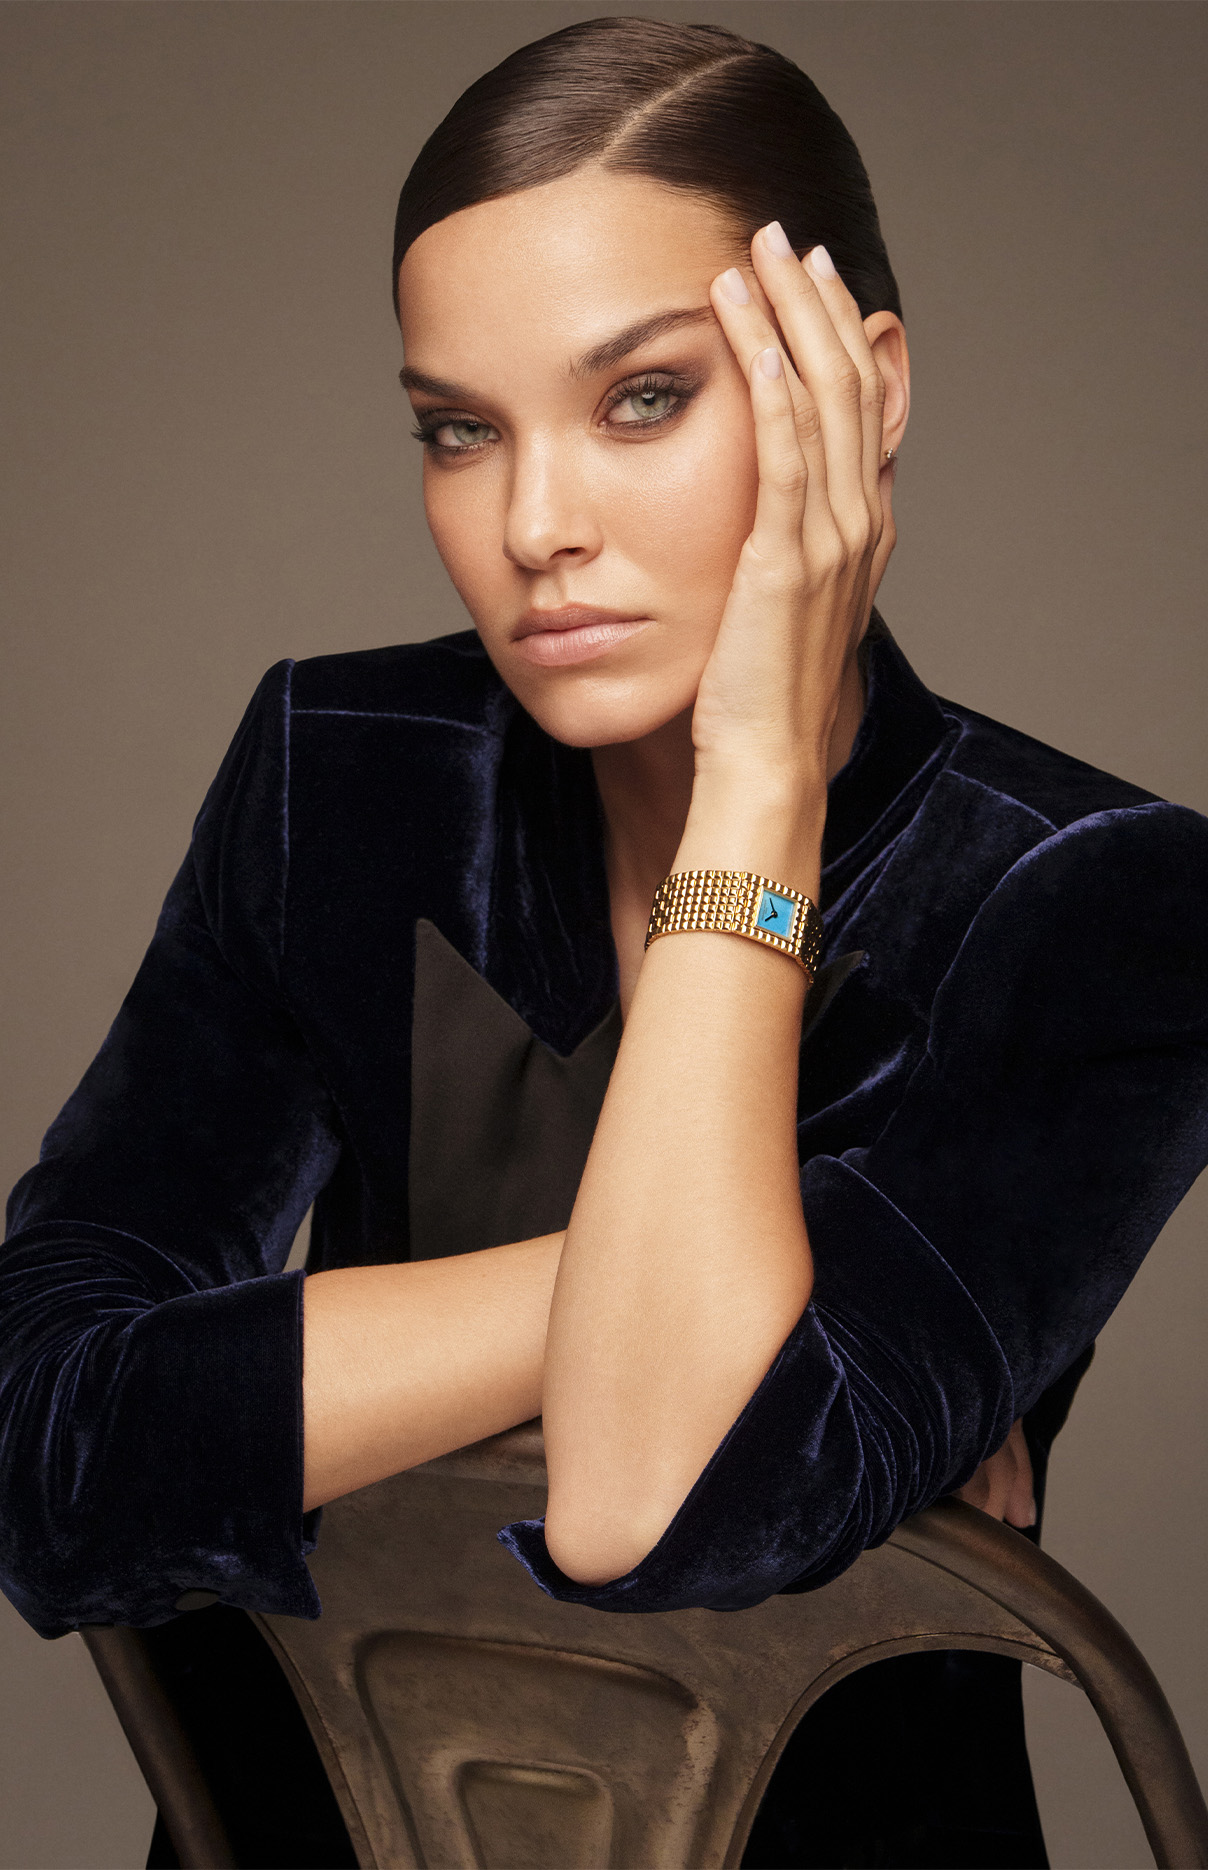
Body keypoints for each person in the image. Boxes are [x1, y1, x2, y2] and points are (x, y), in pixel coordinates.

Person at [3, 15, 1206, 1868]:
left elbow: (655, 1498)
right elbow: (43, 1437)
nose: (534, 525)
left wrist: (759, 782)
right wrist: (670, 1303)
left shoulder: (1098, 897)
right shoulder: (345, 771)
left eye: (642, 397)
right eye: (458, 430)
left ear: (864, 390)